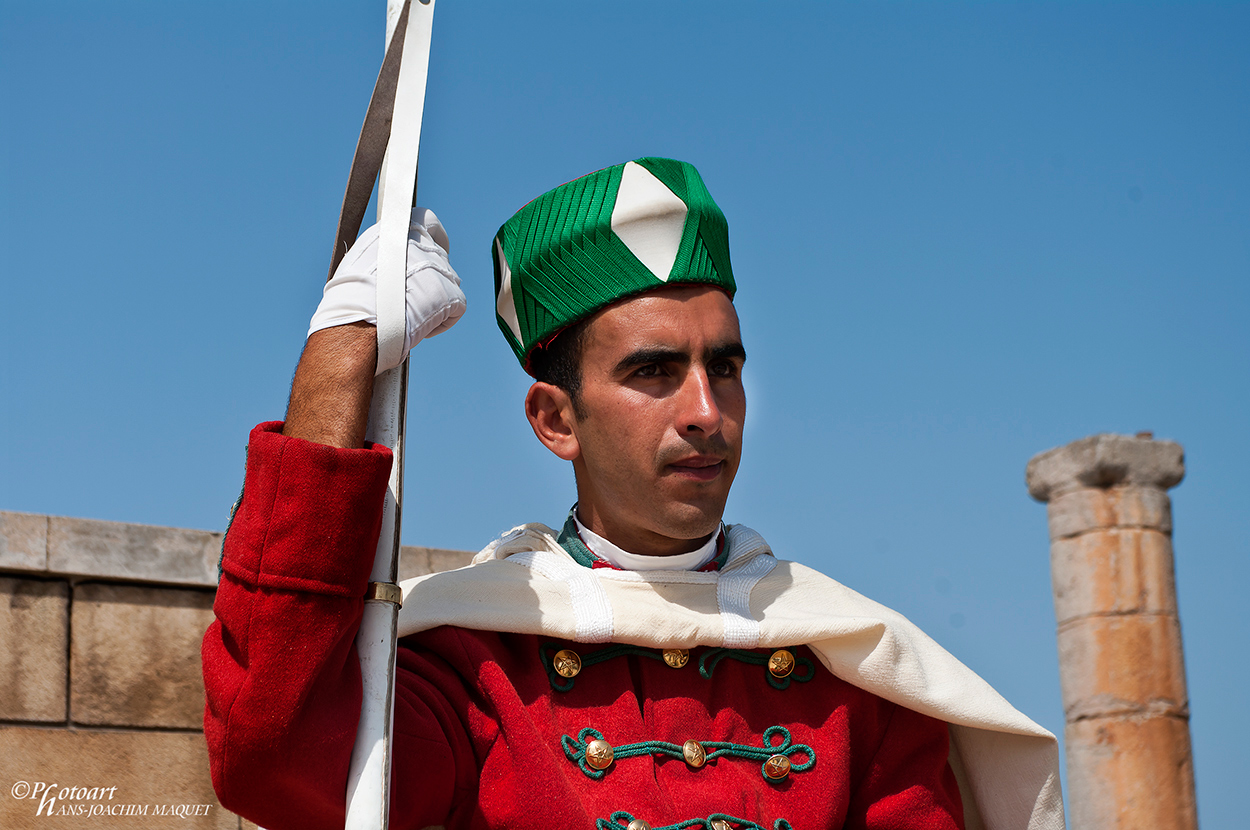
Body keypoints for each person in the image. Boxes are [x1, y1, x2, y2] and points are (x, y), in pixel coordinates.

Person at [202, 158, 1064, 830]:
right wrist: (342, 348)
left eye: (722, 368)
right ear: (554, 420)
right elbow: (270, 758)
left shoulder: (858, 678)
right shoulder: (474, 674)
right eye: (653, 371)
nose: (704, 412)